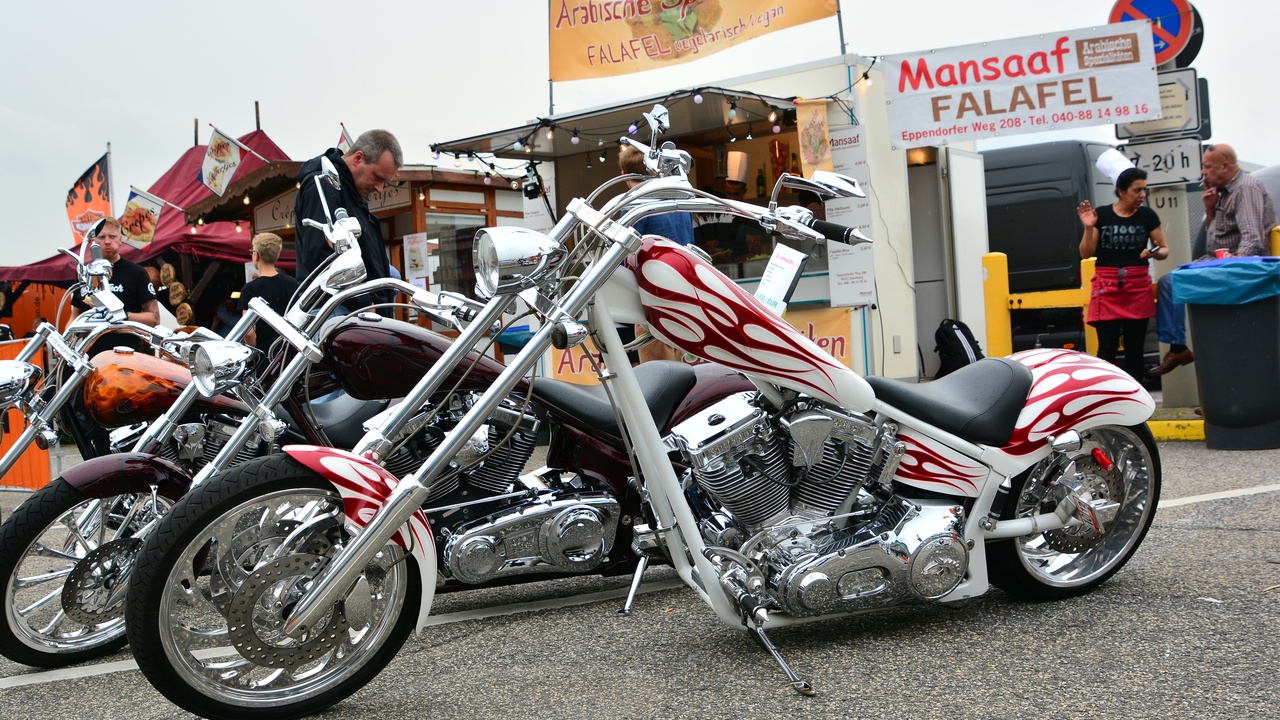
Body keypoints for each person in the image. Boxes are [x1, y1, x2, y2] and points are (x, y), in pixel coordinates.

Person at [1148, 143, 1277, 377]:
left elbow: (1253, 239)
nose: (1203, 173)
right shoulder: (1225, 192)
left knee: (1172, 283)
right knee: (1170, 281)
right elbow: (1216, 237)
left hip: (1241, 269)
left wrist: (1234, 260)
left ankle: (1178, 348)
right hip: (1221, 263)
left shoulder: (1245, 188)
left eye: (1207, 167)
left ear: (1225, 166)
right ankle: (1180, 349)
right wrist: (1209, 209)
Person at [294, 129, 402, 314]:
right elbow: (321, 254)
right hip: (339, 310)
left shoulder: (347, 190)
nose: (380, 188)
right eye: (377, 177)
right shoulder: (323, 184)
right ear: (358, 158)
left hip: (349, 308)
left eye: (385, 181)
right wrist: (363, 302)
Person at [1077, 167, 1169, 380]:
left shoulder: (1148, 216)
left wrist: (1153, 252)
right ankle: (1104, 395)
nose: (1142, 196)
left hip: (1137, 287)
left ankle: (1137, 398)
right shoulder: (1103, 214)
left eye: (1144, 190)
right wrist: (1089, 228)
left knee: (1134, 349)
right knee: (1107, 347)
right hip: (1107, 286)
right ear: (1121, 191)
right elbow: (1086, 253)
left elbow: (1164, 249)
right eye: (1137, 190)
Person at [618, 144, 695, 363]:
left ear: (625, 175)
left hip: (651, 302)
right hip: (683, 300)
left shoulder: (635, 203)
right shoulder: (679, 199)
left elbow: (625, 259)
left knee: (660, 378)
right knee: (683, 371)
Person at [74, 216, 160, 356]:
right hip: (90, 358)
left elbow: (154, 319)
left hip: (126, 356)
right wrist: (67, 339)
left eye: (112, 236)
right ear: (93, 242)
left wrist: (125, 316)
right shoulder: (86, 274)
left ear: (120, 240)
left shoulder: (136, 273)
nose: (107, 241)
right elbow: (74, 316)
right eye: (102, 237)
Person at [237, 232, 301, 354]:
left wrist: (254, 353)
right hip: (289, 354)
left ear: (256, 255)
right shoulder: (293, 284)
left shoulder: (250, 289)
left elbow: (248, 332)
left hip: (264, 357)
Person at [618, 143, 694, 245]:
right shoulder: (680, 197)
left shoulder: (632, 205)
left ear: (624, 174)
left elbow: (625, 254)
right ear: (654, 171)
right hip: (685, 260)